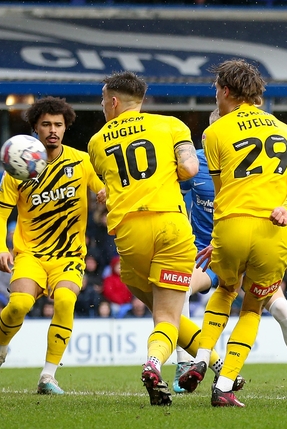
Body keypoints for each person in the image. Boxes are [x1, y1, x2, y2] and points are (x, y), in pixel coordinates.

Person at [175, 59, 287, 407]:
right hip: (274, 227)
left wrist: (221, 233)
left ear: (225, 91)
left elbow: (222, 189)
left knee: (224, 290)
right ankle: (223, 386)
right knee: (252, 307)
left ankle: (202, 356)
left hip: (231, 226)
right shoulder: (283, 129)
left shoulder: (214, 133)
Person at [0, 97, 105, 395]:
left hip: (69, 255)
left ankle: (48, 376)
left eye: (58, 124)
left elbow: (103, 188)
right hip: (31, 254)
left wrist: (104, 195)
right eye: (46, 124)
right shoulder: (17, 169)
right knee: (19, 304)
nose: (52, 130)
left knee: (64, 301)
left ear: (66, 127)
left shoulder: (81, 161)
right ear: (35, 127)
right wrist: (0, 248)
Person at [89, 71, 199, 406]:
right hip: (170, 224)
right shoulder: (171, 125)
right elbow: (190, 169)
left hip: (129, 233)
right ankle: (155, 361)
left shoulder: (96, 142)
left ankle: (218, 361)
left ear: (113, 102)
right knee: (167, 315)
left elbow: (111, 187)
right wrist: (172, 172)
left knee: (157, 302)